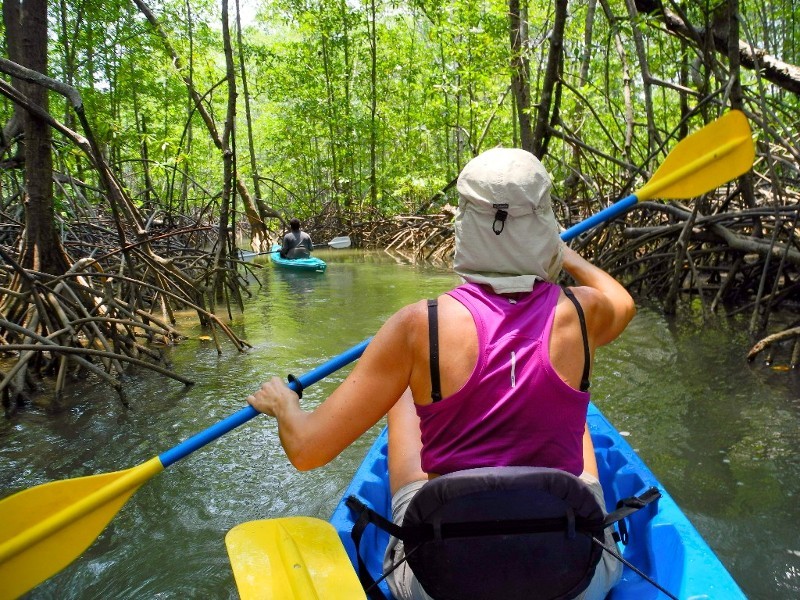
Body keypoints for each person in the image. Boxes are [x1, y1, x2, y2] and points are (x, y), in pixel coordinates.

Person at [247, 148, 636, 600]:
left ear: (464, 225)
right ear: (545, 224)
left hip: (442, 583)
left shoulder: (418, 326)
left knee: (403, 393)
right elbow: (621, 301)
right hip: (572, 578)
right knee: (575, 407)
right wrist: (562, 253)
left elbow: (307, 450)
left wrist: (284, 405)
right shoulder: (583, 313)